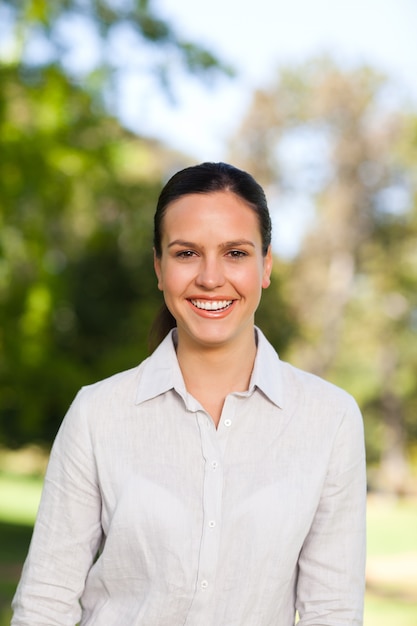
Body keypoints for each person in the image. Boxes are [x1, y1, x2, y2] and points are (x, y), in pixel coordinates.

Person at [11, 162, 367, 626]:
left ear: (266, 266)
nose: (211, 277)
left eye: (235, 253)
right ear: (160, 268)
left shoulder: (331, 419)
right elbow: (44, 604)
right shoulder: (98, 414)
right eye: (186, 254)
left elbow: (333, 612)